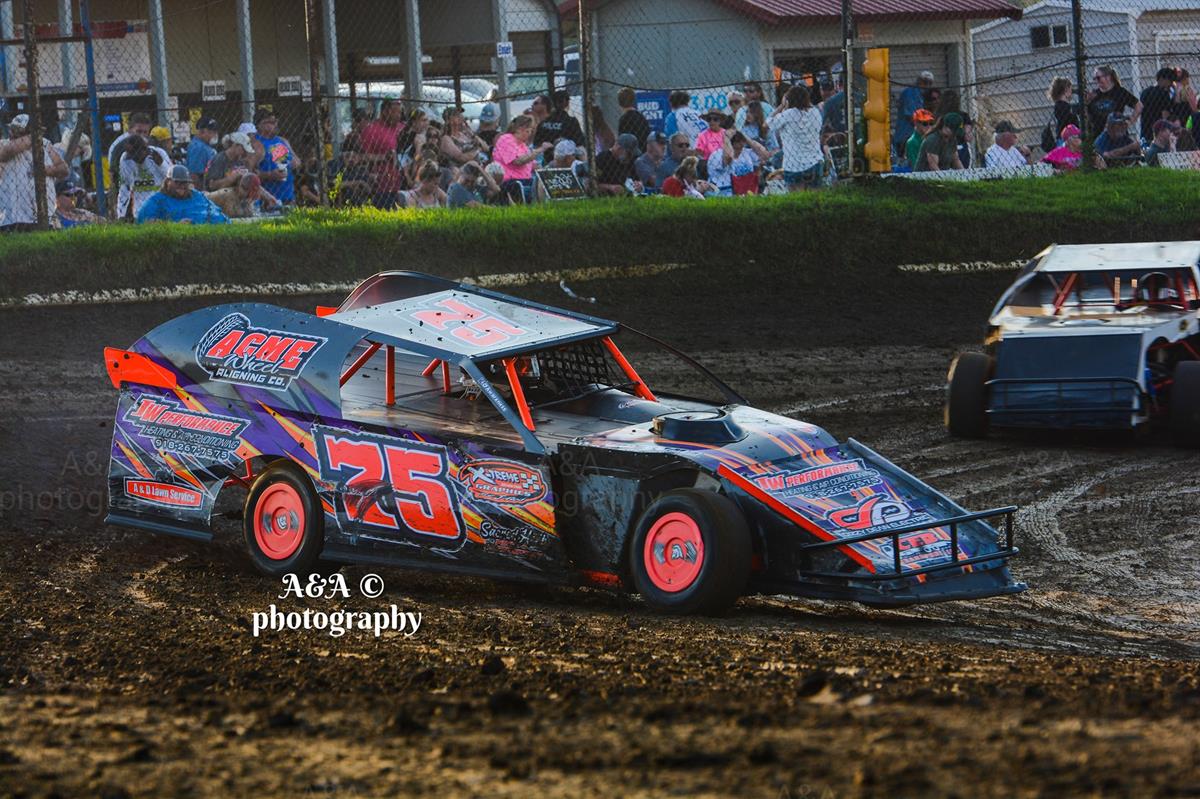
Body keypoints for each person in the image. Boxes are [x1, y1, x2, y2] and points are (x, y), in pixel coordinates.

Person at [0, 114, 68, 232]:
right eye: (12, 129)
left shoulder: (45, 144)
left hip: (42, 211)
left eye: (17, 130)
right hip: (12, 215)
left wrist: (44, 170)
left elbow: (64, 169)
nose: (11, 133)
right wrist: (34, 136)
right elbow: (7, 151)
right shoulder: (5, 144)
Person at [770, 84, 824, 191]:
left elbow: (768, 123)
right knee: (816, 196)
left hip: (793, 165)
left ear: (788, 100)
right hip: (814, 161)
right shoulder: (815, 112)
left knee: (796, 196)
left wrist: (781, 106)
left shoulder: (788, 114)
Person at [136, 163, 229, 224]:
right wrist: (174, 225)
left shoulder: (198, 196)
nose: (182, 186)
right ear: (168, 182)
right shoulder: (157, 200)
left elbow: (217, 213)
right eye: (177, 182)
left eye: (184, 182)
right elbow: (143, 220)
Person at [358, 99, 406, 208]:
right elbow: (362, 157)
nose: (399, 116)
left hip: (403, 181)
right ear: (385, 112)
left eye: (400, 112)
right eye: (395, 112)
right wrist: (384, 157)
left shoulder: (402, 128)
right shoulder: (371, 130)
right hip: (382, 184)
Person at [493, 115, 551, 204]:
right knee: (530, 185)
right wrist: (540, 150)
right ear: (519, 129)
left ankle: (542, 206)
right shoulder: (506, 139)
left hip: (525, 180)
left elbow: (533, 165)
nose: (530, 133)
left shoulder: (523, 145)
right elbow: (518, 161)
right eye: (528, 130)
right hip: (510, 182)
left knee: (542, 181)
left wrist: (549, 169)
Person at [117, 134, 171, 220]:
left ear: (144, 150)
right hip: (139, 211)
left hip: (161, 207)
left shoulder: (158, 154)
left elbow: (171, 177)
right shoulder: (126, 158)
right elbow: (124, 187)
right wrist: (121, 214)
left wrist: (161, 164)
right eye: (131, 155)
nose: (134, 159)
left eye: (137, 155)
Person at [706, 129, 769, 196]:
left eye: (743, 141)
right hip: (724, 190)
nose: (742, 143)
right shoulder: (717, 154)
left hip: (747, 189)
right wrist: (726, 138)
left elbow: (765, 154)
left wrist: (745, 137)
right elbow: (729, 157)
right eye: (738, 141)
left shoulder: (746, 152)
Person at [252, 108, 295, 204]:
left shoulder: (279, 140)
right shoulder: (256, 143)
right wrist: (270, 175)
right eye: (270, 122)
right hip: (268, 198)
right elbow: (250, 173)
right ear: (259, 125)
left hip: (288, 196)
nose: (275, 124)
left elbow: (294, 163)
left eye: (275, 121)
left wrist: (291, 162)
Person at [1086, 65, 1141, 139]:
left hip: (1117, 134)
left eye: (1098, 78)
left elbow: (1139, 106)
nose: (1096, 81)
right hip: (1098, 135)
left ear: (1108, 77)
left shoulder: (1120, 92)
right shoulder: (1094, 94)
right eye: (1094, 78)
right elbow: (1088, 116)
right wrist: (1087, 102)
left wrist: (1130, 121)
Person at [1139, 67, 1186, 143]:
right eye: (1171, 81)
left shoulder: (1145, 92)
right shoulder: (1164, 94)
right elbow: (1165, 116)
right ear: (1163, 79)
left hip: (1145, 131)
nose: (1171, 84)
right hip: (1159, 134)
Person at [106, 111, 152, 189]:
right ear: (130, 130)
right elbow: (112, 172)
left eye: (145, 132)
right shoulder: (119, 146)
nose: (142, 135)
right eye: (138, 131)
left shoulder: (151, 144)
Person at [894, 71, 934, 158]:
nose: (927, 86)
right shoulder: (910, 93)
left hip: (915, 137)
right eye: (925, 82)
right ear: (919, 81)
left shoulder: (921, 96)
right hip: (906, 136)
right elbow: (911, 116)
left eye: (929, 83)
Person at [206, 172, 279, 218]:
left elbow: (250, 214)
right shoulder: (229, 195)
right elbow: (231, 218)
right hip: (202, 201)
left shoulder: (243, 194)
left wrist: (269, 199)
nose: (250, 199)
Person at [1043, 77, 1080, 152]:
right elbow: (1069, 119)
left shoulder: (1061, 106)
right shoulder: (1062, 106)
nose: (1072, 92)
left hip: (1065, 140)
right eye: (1070, 89)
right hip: (1066, 141)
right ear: (1066, 90)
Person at [186, 116, 219, 183]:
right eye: (211, 132)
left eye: (215, 132)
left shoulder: (205, 145)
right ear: (201, 132)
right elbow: (194, 176)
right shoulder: (198, 148)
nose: (215, 135)